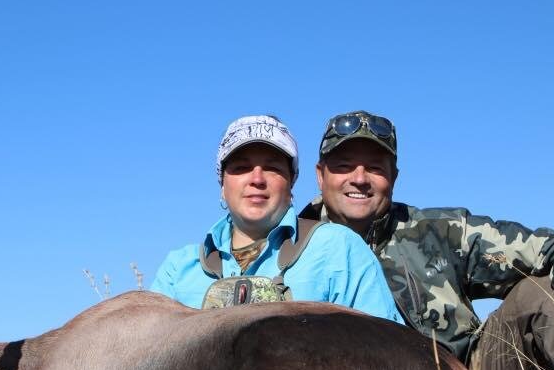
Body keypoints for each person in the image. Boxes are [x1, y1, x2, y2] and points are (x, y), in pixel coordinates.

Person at [301, 110, 554, 370]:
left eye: (374, 167)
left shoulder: (441, 232)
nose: (359, 179)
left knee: (540, 293)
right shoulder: (291, 245)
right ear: (320, 175)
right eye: (344, 166)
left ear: (394, 176)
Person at [150, 114, 404, 324]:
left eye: (272, 167)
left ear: (291, 181)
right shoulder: (178, 269)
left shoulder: (339, 250)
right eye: (241, 168)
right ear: (222, 184)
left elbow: (386, 356)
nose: (257, 179)